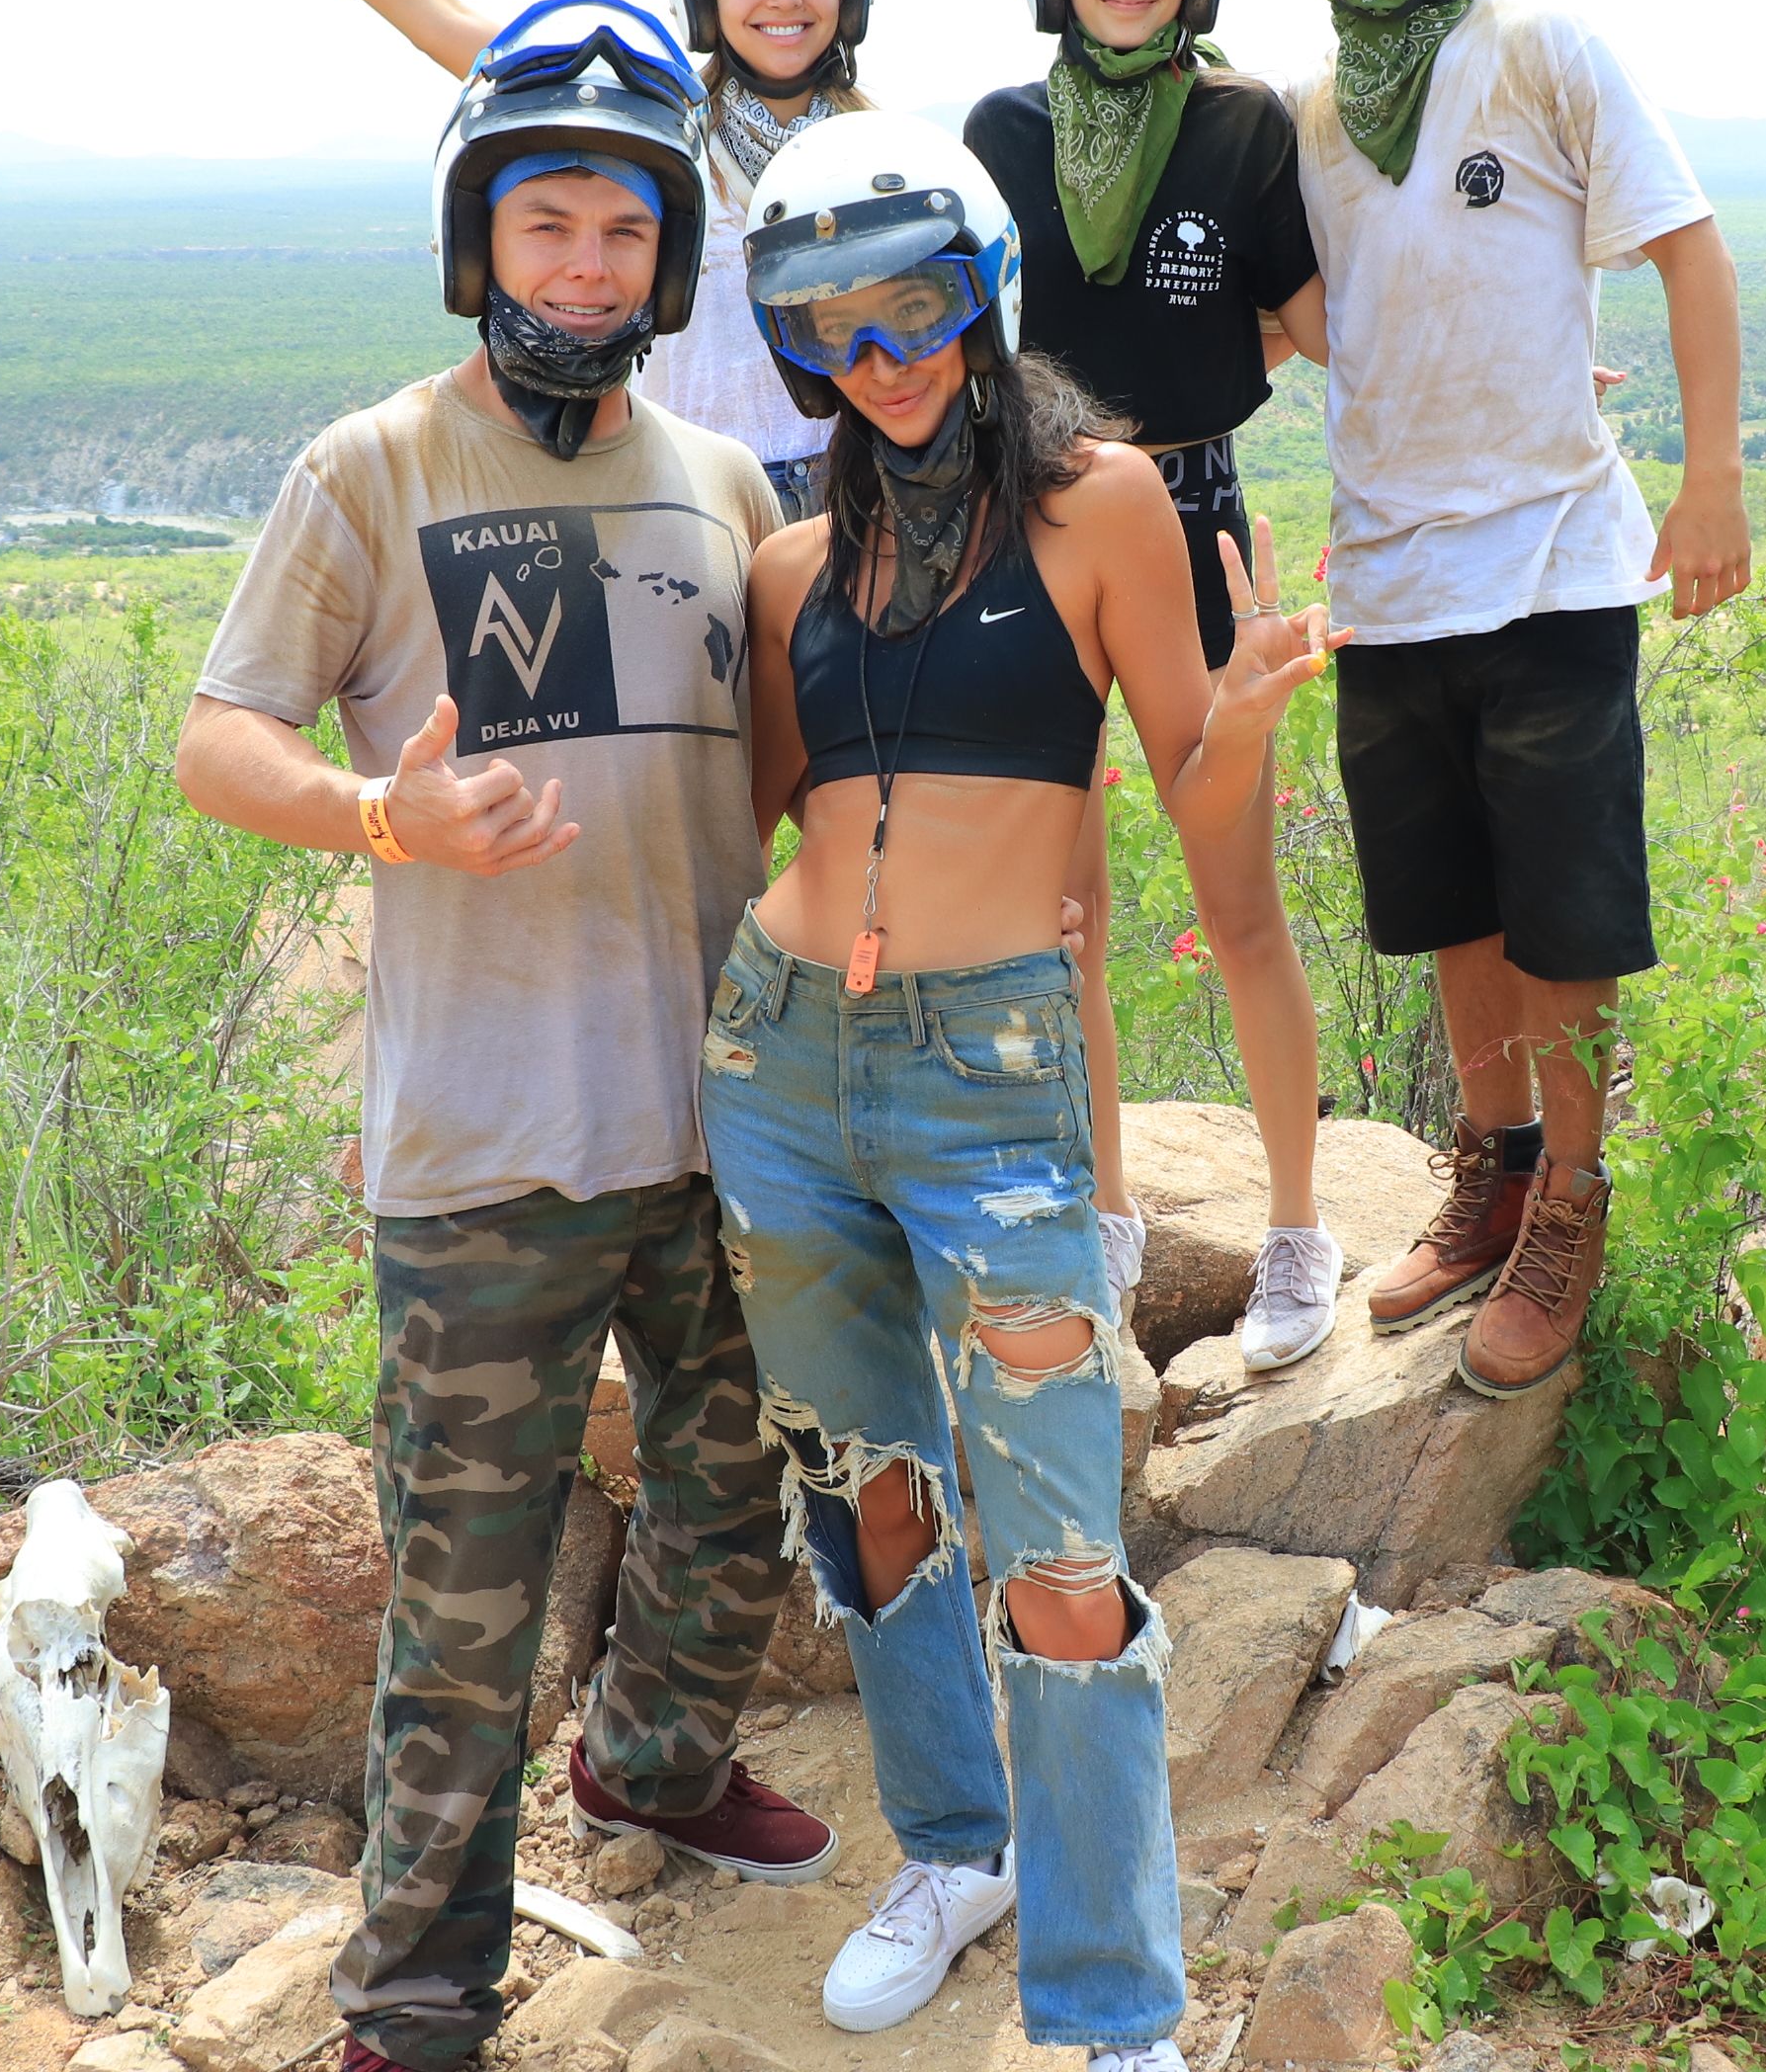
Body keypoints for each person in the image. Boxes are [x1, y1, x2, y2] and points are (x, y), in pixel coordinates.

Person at [172, 0, 839, 2072]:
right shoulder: (368, 469)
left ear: (666, 259)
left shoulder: (725, 476)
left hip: (714, 1120)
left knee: (737, 1501)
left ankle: (649, 1766)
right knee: (466, 1610)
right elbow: (218, 738)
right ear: (481, 241)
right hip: (486, 1147)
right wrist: (385, 811)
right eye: (546, 222)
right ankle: (417, 2004)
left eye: (622, 231)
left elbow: (794, 769)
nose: (583, 265)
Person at [697, 114, 1338, 2071]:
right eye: (832, 324)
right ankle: (958, 1850)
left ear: (980, 287)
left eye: (915, 304)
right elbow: (774, 818)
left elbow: (1181, 789)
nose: (882, 354)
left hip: (989, 1080)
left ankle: (1116, 2012)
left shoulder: (1104, 505)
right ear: (796, 345)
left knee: (1061, 1565)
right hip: (783, 1066)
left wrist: (1236, 722)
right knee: (874, 1501)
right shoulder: (792, 554)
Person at [1250, 0, 1753, 1397]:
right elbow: (1331, 309)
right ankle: (1492, 1168)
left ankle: (1574, 1199)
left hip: (1548, 557)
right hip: (1389, 578)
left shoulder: (1537, 48)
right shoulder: (1315, 112)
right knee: (1452, 904)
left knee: (1564, 912)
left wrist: (1709, 484)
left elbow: (1685, 251)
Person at [962, 0, 1344, 1370]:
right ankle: (1105, 1207)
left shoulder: (1241, 125)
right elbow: (971, 350)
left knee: (1236, 900)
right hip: (1035, 533)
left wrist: (1515, 373)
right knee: (1064, 920)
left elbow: (1315, 317)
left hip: (1188, 525)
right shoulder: (1002, 133)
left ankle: (1296, 1229)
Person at [183, 0, 862, 514]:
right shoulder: (657, 123)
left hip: (853, 492)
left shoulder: (876, 151)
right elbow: (424, 7)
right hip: (687, 496)